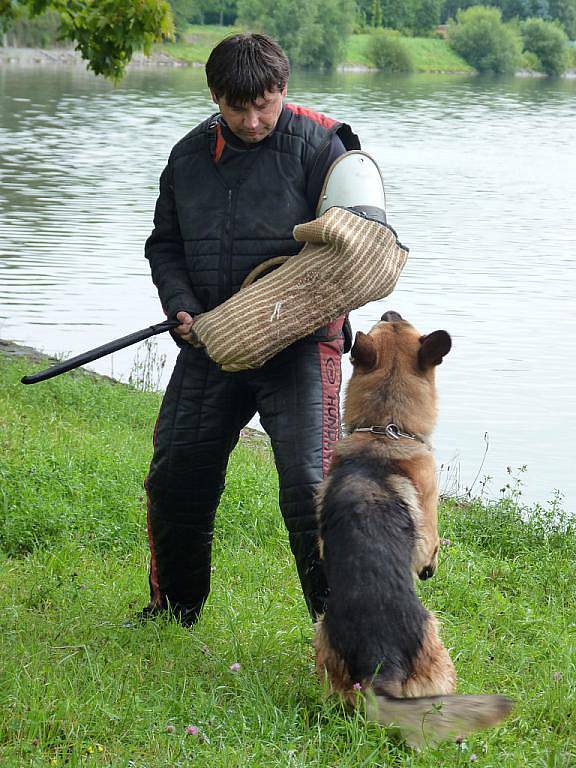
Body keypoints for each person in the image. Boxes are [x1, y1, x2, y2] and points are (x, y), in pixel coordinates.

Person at [141, 33, 360, 627]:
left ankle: (342, 635)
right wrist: (182, 305)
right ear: (215, 96)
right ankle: (173, 611)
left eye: (265, 104)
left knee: (311, 488)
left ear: (283, 90)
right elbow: (164, 246)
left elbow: (364, 246)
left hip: (300, 345)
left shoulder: (326, 144)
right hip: (211, 340)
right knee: (175, 477)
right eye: (238, 108)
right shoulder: (187, 157)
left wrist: (300, 309)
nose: (254, 120)